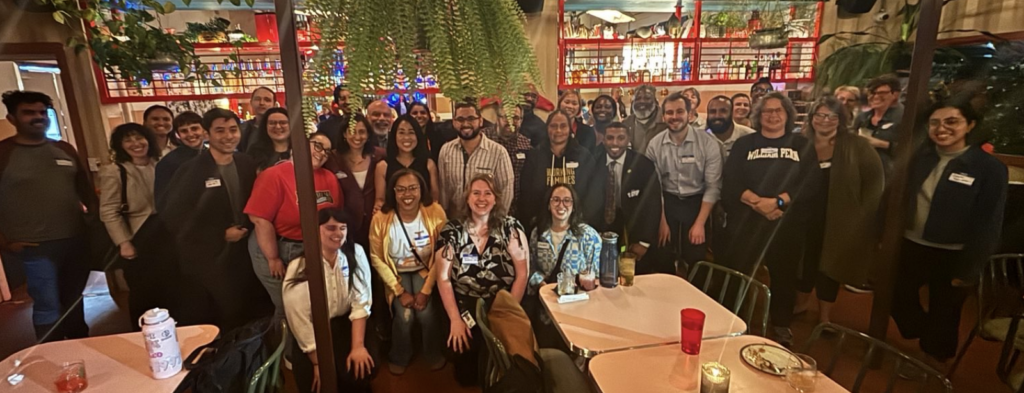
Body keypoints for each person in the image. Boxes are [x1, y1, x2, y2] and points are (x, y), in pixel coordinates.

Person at [891, 97, 1007, 368]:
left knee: (946, 311)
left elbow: (989, 222)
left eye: (951, 121)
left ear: (970, 125)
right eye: (935, 123)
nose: (941, 128)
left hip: (954, 253)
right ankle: (925, 332)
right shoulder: (920, 158)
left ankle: (931, 363)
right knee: (896, 297)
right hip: (912, 244)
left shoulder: (989, 169)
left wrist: (971, 268)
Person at [720, 92, 819, 347]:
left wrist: (778, 202)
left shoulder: (801, 145)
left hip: (785, 223)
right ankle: (736, 320)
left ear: (787, 115)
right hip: (747, 222)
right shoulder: (745, 144)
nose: (773, 115)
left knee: (784, 276)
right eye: (767, 111)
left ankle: (781, 324)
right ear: (758, 115)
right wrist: (757, 202)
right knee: (739, 272)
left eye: (778, 111)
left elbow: (810, 182)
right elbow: (730, 181)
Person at [159, 108, 272, 330]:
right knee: (220, 314)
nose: (228, 136)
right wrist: (220, 233)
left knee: (249, 309)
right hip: (208, 256)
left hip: (245, 253)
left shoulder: (246, 163)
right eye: (220, 131)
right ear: (207, 134)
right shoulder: (190, 170)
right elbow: (173, 215)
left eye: (233, 130)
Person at [0, 91, 96, 341]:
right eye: (29, 112)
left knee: (74, 304)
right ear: (12, 118)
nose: (38, 117)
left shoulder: (63, 149)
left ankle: (82, 354)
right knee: (47, 307)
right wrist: (5, 242)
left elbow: (85, 191)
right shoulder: (4, 153)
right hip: (35, 247)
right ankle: (51, 359)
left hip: (75, 241)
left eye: (42, 112)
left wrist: (95, 225)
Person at [794, 97, 884, 328]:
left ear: (841, 119)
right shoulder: (799, 142)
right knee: (804, 263)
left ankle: (825, 317)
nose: (825, 120)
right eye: (820, 115)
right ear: (812, 118)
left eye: (832, 116)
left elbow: (875, 183)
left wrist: (864, 216)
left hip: (840, 218)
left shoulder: (857, 145)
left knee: (830, 267)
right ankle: (801, 303)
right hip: (804, 217)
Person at [435, 174, 528, 386]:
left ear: (496, 199)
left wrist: (507, 316)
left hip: (501, 302)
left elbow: (522, 275)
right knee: (466, 375)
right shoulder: (452, 231)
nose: (481, 198)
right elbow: (443, 279)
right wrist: (455, 320)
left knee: (500, 365)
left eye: (488, 193)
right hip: (465, 303)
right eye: (476, 193)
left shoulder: (511, 229)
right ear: (467, 198)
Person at [244, 134, 341, 317]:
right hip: (276, 247)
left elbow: (334, 216)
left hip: (310, 248)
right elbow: (259, 219)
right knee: (289, 308)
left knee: (309, 306)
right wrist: (273, 258)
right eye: (317, 146)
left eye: (327, 151)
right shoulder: (274, 175)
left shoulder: (329, 178)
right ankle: (285, 345)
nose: (322, 153)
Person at [283, 207, 377, 393]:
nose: (338, 233)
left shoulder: (356, 252)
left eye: (343, 228)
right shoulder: (299, 267)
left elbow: (361, 302)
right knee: (316, 383)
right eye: (331, 228)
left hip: (346, 323)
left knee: (360, 370)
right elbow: (299, 319)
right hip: (313, 330)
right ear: (315, 230)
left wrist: (357, 346)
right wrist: (319, 363)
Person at [369, 169, 447, 375]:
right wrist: (398, 289)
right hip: (396, 273)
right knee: (404, 316)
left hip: (426, 270)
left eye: (413, 188)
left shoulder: (435, 212)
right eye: (401, 189)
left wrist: (427, 290)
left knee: (426, 313)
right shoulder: (381, 218)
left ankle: (432, 352)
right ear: (393, 192)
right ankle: (399, 355)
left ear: (422, 189)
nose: (407, 194)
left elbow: (443, 252)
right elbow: (376, 257)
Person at [645, 92, 723, 272]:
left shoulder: (708, 143)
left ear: (689, 114)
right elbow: (654, 187)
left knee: (696, 257)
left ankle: (695, 296)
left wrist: (700, 223)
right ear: (663, 116)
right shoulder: (655, 144)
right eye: (669, 113)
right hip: (667, 202)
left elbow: (713, 186)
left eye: (679, 111)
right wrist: (661, 222)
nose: (674, 117)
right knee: (662, 255)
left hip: (697, 203)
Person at [98, 123, 161, 324]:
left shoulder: (159, 163)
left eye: (139, 137)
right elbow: (108, 210)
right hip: (136, 234)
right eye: (128, 140)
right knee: (143, 291)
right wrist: (123, 242)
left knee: (168, 288)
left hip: (164, 233)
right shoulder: (115, 171)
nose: (135, 143)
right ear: (120, 145)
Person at [525, 184, 601, 348]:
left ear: (573, 206)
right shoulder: (538, 233)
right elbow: (530, 267)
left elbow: (598, 277)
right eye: (556, 200)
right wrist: (542, 284)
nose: (561, 205)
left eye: (567, 201)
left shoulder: (588, 236)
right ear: (548, 204)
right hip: (547, 312)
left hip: (579, 312)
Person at [592, 122, 662, 274]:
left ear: (628, 139)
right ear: (603, 139)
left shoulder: (643, 165)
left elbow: (653, 205)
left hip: (635, 232)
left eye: (621, 138)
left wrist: (644, 242)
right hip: (601, 231)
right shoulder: (593, 162)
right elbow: (587, 201)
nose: (615, 143)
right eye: (610, 138)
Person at [520, 110, 602, 230]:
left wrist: (580, 221)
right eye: (553, 126)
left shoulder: (584, 157)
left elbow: (593, 193)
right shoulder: (535, 156)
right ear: (547, 129)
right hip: (542, 225)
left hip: (576, 225)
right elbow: (526, 193)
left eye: (563, 126)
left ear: (570, 129)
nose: (558, 131)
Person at [437, 101, 515, 214]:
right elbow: (443, 189)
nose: (465, 124)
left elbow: (506, 191)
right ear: (454, 122)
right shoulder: (446, 150)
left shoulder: (498, 152)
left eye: (471, 119)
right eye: (460, 119)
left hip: (486, 221)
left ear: (480, 121)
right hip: (455, 221)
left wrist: (497, 221)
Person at [332, 115, 386, 247]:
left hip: (376, 223)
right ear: (344, 134)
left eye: (362, 132)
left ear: (368, 134)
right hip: (345, 225)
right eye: (352, 131)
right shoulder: (332, 158)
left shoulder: (380, 155)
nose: (357, 136)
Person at [373, 115, 440, 214]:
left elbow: (435, 199)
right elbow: (380, 200)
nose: (406, 137)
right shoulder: (382, 166)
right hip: (393, 222)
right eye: (401, 132)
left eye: (411, 132)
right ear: (394, 135)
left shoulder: (429, 164)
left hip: (425, 220)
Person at [483, 105, 532, 217]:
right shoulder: (484, 139)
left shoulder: (525, 144)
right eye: (506, 117)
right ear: (497, 118)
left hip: (516, 210)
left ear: (521, 121)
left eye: (515, 118)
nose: (511, 121)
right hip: (486, 208)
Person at [853, 75, 903, 175]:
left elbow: (914, 151)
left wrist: (881, 144)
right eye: (872, 93)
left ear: (895, 94)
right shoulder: (862, 117)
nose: (875, 96)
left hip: (889, 178)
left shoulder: (905, 118)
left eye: (881, 93)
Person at [155, 111, 205, 206]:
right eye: (184, 131)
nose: (190, 134)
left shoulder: (212, 156)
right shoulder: (168, 163)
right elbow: (162, 201)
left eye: (194, 128)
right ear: (178, 135)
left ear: (204, 130)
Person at [623, 84, 666, 154]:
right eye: (638, 98)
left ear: (655, 101)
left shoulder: (666, 122)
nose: (642, 101)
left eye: (647, 98)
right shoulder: (626, 124)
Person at [247, 107, 292, 172]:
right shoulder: (255, 152)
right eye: (272, 123)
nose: (278, 127)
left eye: (283, 123)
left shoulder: (300, 151)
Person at [238, 86, 276, 153]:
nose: (261, 103)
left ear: (274, 105)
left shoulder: (281, 128)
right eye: (257, 99)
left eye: (267, 100)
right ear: (251, 102)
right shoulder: (242, 129)